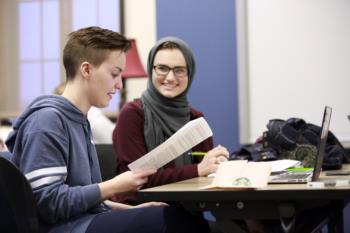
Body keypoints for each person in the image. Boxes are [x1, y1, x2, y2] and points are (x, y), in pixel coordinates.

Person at [5, 27, 209, 233]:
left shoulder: (78, 120)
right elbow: (48, 204)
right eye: (114, 74)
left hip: (81, 222)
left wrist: (127, 209)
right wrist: (115, 185)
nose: (119, 84)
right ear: (86, 70)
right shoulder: (47, 120)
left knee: (179, 218)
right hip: (64, 228)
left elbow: (85, 201)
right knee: (170, 221)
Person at [112, 36, 229, 204]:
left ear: (190, 73)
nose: (170, 78)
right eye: (162, 68)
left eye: (179, 70)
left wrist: (216, 164)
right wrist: (198, 169)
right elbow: (137, 179)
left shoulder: (195, 119)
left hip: (187, 210)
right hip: (140, 210)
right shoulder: (132, 114)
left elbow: (206, 176)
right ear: (151, 70)